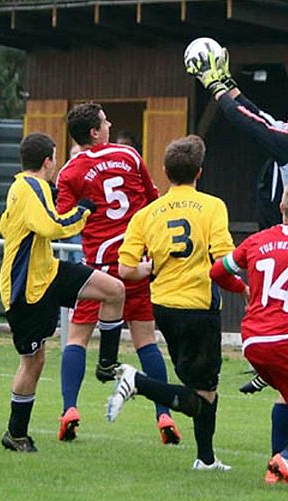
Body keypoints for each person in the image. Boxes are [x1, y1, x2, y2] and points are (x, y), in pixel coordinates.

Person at [187, 45, 288, 411]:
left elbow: (246, 122)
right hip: (282, 237)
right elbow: (256, 113)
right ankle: (276, 370)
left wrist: (213, 84)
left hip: (284, 240)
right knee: (279, 313)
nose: (286, 116)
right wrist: (227, 82)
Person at [106, 135, 241, 471]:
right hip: (199, 306)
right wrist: (243, 286)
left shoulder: (146, 214)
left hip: (163, 307)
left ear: (165, 171)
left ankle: (206, 459)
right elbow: (224, 259)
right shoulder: (213, 206)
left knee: (202, 389)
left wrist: (147, 268)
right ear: (200, 172)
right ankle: (137, 382)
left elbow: (125, 269)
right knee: (203, 393)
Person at [55, 103, 179, 444]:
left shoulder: (70, 172)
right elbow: (152, 201)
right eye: (105, 121)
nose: (109, 124)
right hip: (135, 264)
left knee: (77, 338)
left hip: (100, 269)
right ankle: (164, 414)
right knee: (146, 341)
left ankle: (69, 409)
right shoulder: (129, 156)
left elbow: (64, 222)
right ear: (95, 132)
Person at [0, 132, 125, 453]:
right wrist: (83, 210)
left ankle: (107, 363)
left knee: (114, 290)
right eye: (56, 158)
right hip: (26, 288)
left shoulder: (24, 187)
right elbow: (52, 226)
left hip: (49, 271)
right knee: (33, 361)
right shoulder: (31, 187)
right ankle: (15, 434)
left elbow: (7, 225)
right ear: (48, 161)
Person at [210, 180, 288, 492]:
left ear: (281, 207)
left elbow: (217, 272)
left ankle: (275, 469)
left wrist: (242, 289)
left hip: (253, 340)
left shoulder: (256, 241)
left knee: (287, 395)